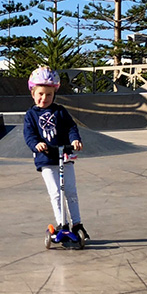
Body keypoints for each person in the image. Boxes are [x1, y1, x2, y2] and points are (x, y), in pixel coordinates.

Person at [23, 66, 89, 241]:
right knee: (55, 193)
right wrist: (36, 144)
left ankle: (77, 224)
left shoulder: (60, 111)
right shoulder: (31, 115)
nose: (44, 98)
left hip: (64, 157)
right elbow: (29, 135)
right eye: (41, 94)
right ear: (33, 93)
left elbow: (71, 127)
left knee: (71, 192)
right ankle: (62, 223)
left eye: (49, 95)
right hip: (46, 159)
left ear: (54, 94)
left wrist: (75, 140)